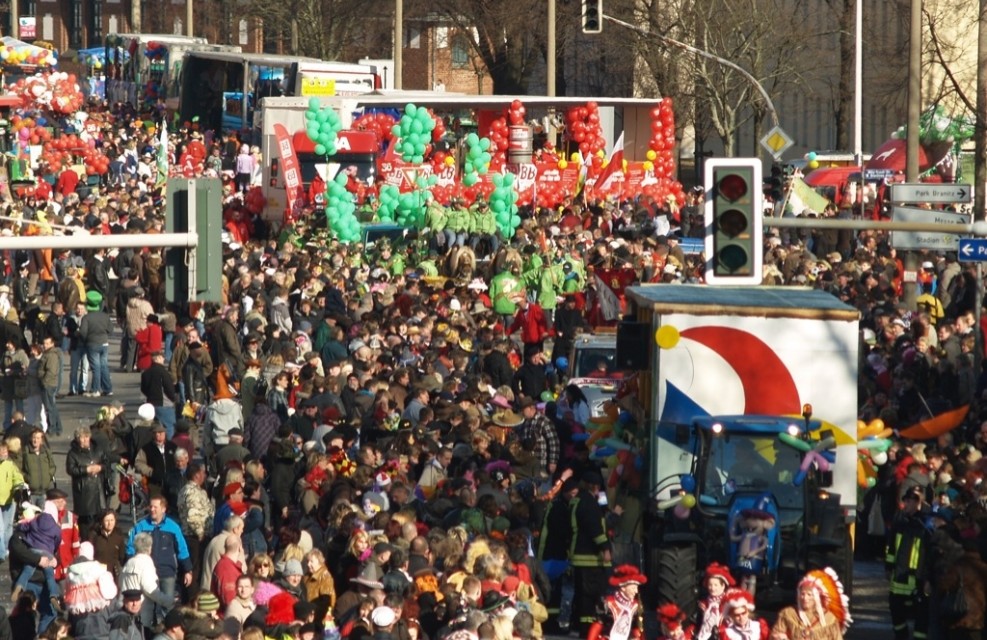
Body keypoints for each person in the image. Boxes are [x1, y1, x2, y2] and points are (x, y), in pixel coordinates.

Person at [125, 496, 193, 624]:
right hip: (146, 574)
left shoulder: (173, 527)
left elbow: (182, 549)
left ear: (163, 509)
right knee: (146, 609)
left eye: (155, 507)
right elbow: (130, 548)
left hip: (167, 573)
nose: (152, 509)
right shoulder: (141, 526)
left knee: (167, 608)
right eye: (150, 506)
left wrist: (188, 570)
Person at [887, 486, 931, 640]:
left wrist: (927, 578)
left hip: (918, 580)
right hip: (899, 578)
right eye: (905, 501)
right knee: (896, 612)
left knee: (921, 618)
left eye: (909, 501)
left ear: (918, 502)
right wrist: (888, 567)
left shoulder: (926, 523)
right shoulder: (900, 521)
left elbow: (930, 554)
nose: (906, 504)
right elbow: (891, 547)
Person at [771, 568, 851, 640]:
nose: (805, 598)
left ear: (816, 598)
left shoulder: (829, 619)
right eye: (802, 594)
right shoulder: (788, 613)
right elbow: (776, 633)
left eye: (809, 594)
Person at [9, 501, 62, 609]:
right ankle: (54, 595)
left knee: (27, 571)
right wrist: (43, 559)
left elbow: (25, 527)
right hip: (35, 577)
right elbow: (21, 552)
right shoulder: (18, 538)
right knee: (50, 577)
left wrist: (55, 561)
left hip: (37, 570)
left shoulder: (33, 525)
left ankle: (20, 586)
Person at [65, 426, 109, 531]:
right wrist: (86, 470)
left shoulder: (97, 449)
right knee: (85, 522)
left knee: (98, 518)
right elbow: (70, 470)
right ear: (77, 439)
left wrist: (100, 467)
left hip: (98, 489)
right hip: (83, 491)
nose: (85, 440)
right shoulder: (73, 453)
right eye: (82, 437)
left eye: (86, 437)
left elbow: (106, 463)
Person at [586, 565, 645, 640]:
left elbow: (636, 629)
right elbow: (597, 626)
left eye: (637, 588)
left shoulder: (635, 606)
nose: (636, 591)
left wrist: (637, 637)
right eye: (633, 588)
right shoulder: (608, 603)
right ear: (623, 588)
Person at [696, 562, 735, 640]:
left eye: (715, 585)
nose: (712, 588)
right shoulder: (704, 603)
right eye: (710, 585)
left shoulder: (728, 602)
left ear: (723, 586)